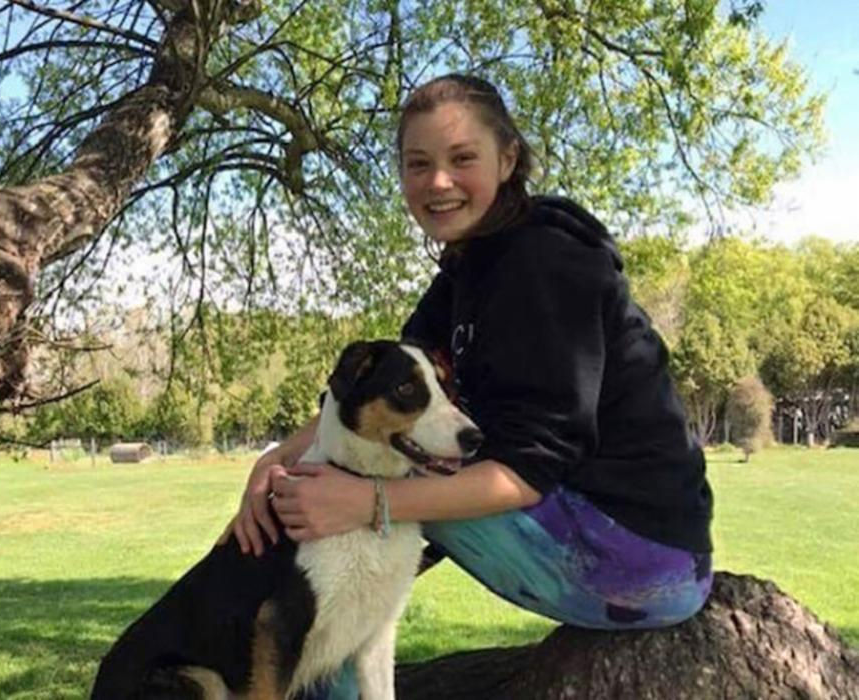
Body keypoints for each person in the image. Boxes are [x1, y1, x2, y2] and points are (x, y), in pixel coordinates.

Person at [224, 74, 713, 698]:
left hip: (641, 557)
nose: (438, 182)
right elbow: (376, 401)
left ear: (508, 159)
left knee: (351, 517)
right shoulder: (464, 270)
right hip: (592, 532)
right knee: (337, 515)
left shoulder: (545, 262)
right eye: (418, 164)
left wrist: (365, 501)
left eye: (462, 159)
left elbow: (528, 471)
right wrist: (276, 462)